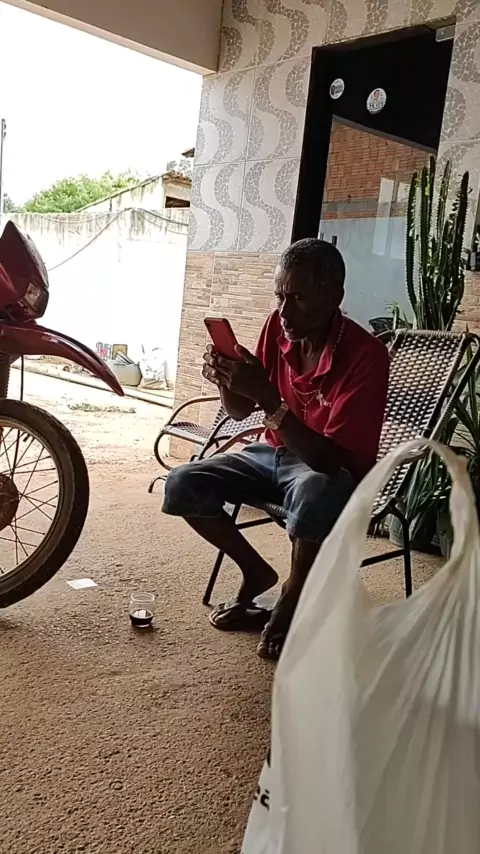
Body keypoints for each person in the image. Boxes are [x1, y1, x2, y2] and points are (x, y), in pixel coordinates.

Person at [163, 239, 390, 660]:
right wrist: (228, 380)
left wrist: (269, 399)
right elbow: (239, 410)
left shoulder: (367, 356)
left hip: (332, 474)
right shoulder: (278, 327)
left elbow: (328, 460)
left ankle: (294, 592)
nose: (284, 311)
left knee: (316, 490)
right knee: (182, 483)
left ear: (334, 295)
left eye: (297, 298)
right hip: (274, 454)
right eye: (280, 296)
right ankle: (255, 571)